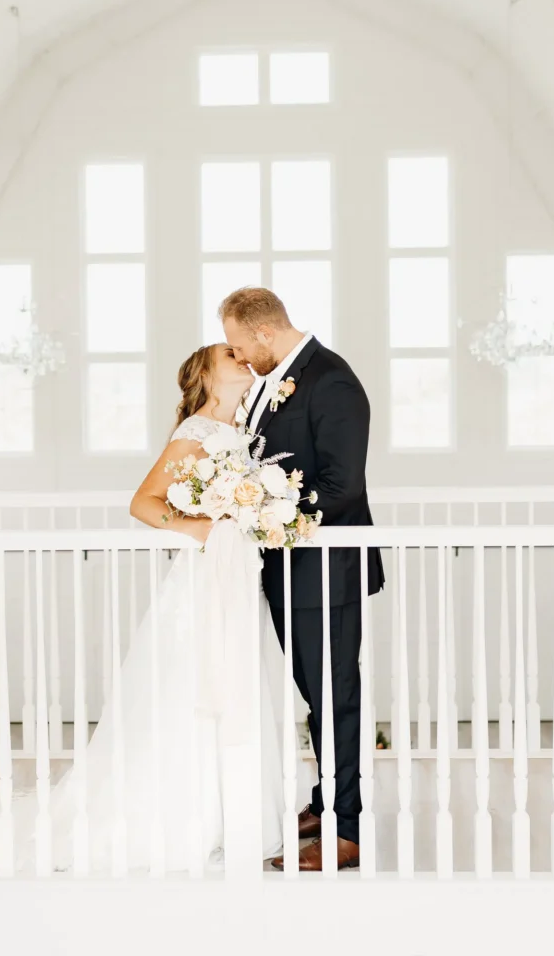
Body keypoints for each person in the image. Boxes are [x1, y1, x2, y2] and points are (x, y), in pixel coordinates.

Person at [0, 344, 286, 874]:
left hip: (237, 577)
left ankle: (229, 814)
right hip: (202, 580)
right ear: (205, 373)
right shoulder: (194, 432)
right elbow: (144, 502)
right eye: (228, 354)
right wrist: (202, 528)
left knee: (234, 682)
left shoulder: (239, 432)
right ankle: (180, 817)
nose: (242, 358)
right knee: (192, 687)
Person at [220, 286, 384, 871]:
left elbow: (345, 488)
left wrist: (267, 514)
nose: (237, 358)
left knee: (336, 697)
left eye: (240, 346)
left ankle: (347, 830)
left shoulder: (331, 381)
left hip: (327, 572)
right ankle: (325, 801)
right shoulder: (274, 384)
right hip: (288, 568)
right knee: (316, 697)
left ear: (265, 334)